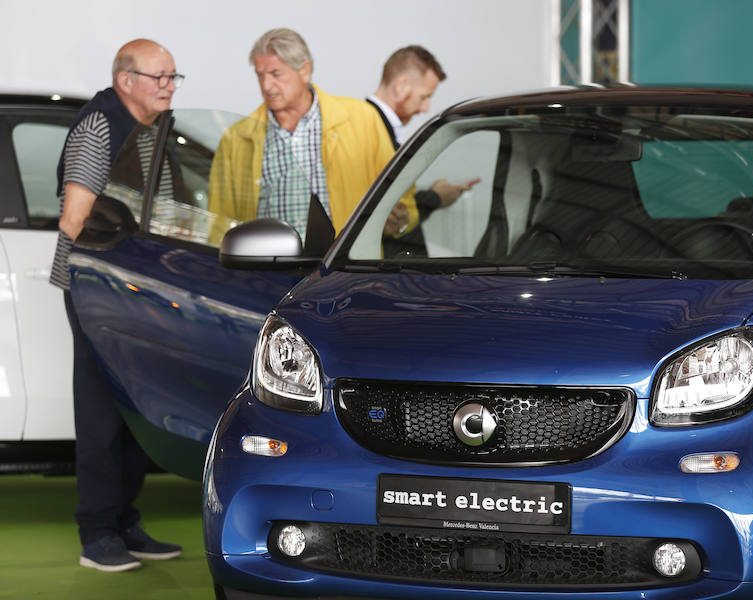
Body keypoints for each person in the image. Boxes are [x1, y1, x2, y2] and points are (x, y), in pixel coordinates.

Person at [50, 38, 184, 572]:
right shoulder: (99, 128)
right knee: (103, 413)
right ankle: (97, 534)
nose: (171, 86)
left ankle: (125, 523)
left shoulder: (153, 132)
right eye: (161, 77)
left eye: (175, 77)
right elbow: (73, 219)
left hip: (135, 291)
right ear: (126, 80)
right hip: (97, 289)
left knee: (135, 412)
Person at [208, 28, 417, 245]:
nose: (266, 85)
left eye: (276, 74)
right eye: (260, 75)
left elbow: (400, 194)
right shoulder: (237, 138)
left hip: (342, 271)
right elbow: (220, 223)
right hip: (267, 274)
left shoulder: (362, 119)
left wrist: (401, 221)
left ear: (305, 70)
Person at [368, 46, 473, 257]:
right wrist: (434, 198)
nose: (425, 108)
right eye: (424, 97)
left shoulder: (381, 128)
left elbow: (393, 202)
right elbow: (380, 211)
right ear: (401, 86)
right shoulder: (368, 129)